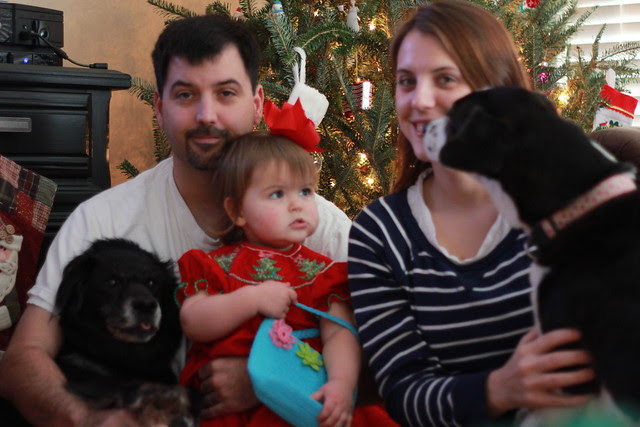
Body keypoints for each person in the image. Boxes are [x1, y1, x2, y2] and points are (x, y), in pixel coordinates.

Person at [0, 14, 352, 426]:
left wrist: (269, 378)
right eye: (185, 95)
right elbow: (23, 359)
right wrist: (92, 419)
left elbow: (391, 364)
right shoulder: (102, 222)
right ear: (160, 108)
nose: (207, 115)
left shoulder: (321, 227)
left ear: (257, 105)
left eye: (226, 93)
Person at [347, 1, 596, 426]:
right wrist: (500, 388)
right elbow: (404, 392)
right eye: (407, 81)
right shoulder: (378, 232)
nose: (419, 101)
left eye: (445, 79)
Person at [176, 124, 387, 426]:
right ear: (237, 211)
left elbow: (339, 333)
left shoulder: (324, 273)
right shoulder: (217, 265)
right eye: (277, 194)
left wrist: (341, 383)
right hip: (239, 414)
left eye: (305, 191)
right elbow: (193, 321)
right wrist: (251, 299)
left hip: (304, 397)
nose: (296, 204)